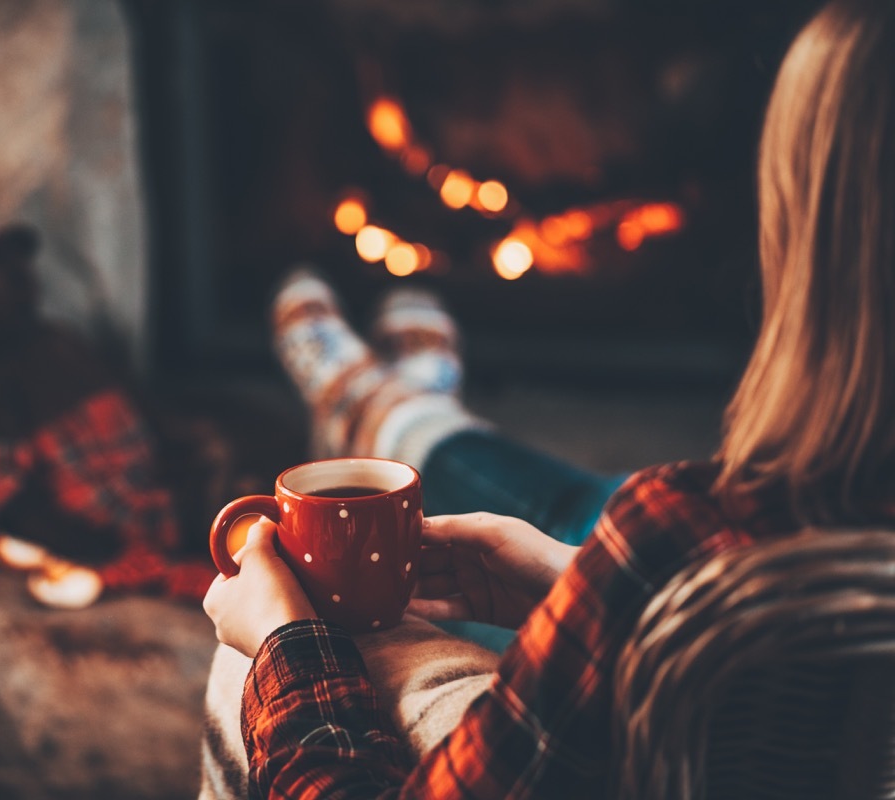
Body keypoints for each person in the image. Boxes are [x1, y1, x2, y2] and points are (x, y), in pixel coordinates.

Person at [202, 0, 895, 797]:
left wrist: (288, 641)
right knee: (579, 506)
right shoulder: (701, 550)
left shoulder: (681, 533)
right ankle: (401, 407)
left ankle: (378, 405)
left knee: (239, 663)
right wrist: (596, 586)